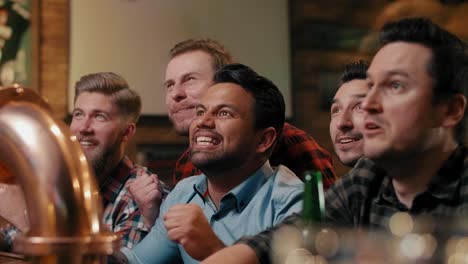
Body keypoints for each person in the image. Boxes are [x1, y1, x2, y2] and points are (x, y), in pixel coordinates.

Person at [202, 17, 468, 264]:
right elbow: (289, 236)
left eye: (395, 85)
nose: (371, 103)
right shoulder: (368, 177)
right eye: (372, 85)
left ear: (450, 110)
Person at [114, 64, 304, 264]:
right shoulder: (184, 192)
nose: (203, 122)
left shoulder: (292, 202)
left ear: (264, 140)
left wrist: (212, 250)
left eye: (224, 113)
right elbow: (139, 261)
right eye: (200, 111)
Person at [165, 38, 337, 187]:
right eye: (170, 84)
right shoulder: (185, 164)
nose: (175, 94)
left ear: (226, 82)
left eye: (190, 79)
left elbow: (331, 221)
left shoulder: (290, 143)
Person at [70, 72, 167, 249]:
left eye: (99, 116)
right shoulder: (64, 183)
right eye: (78, 114)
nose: (83, 128)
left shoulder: (143, 197)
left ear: (127, 132)